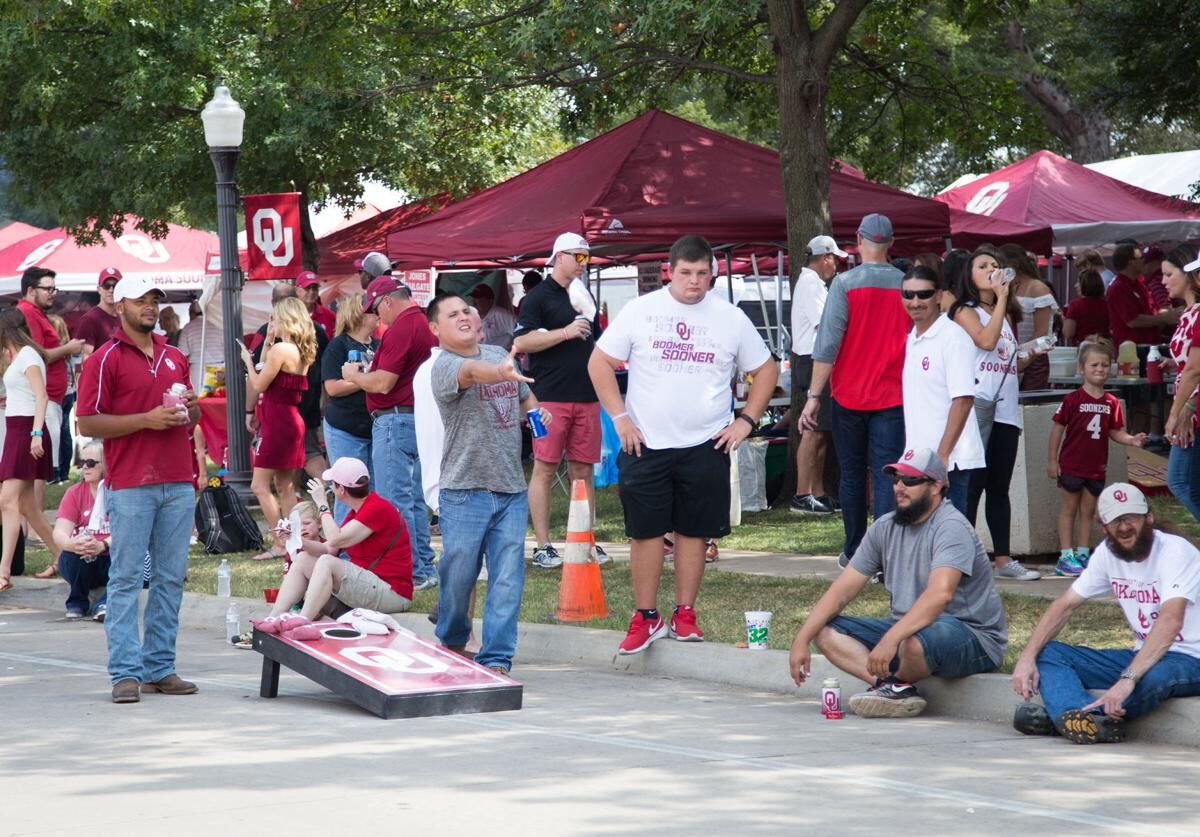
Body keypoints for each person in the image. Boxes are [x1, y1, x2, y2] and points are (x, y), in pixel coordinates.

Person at [590, 235, 776, 655]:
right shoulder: (641, 311)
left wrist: (745, 421)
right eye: (686, 273)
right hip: (646, 442)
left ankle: (685, 613)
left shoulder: (730, 318)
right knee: (647, 532)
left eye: (702, 273)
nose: (694, 282)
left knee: (694, 531)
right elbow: (598, 363)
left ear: (713, 274)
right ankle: (645, 616)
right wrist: (620, 418)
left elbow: (765, 369)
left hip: (706, 442)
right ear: (670, 272)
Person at [789, 448, 1007, 718]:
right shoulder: (885, 527)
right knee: (822, 630)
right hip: (908, 633)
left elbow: (940, 594)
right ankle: (891, 687)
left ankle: (893, 686)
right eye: (896, 480)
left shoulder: (951, 528)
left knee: (913, 643)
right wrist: (801, 638)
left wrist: (892, 638)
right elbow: (842, 590)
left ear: (936, 486)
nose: (900, 488)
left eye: (910, 481)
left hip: (971, 636)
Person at [76, 274, 199, 704]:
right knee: (126, 577)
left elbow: (191, 416)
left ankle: (159, 667)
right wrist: (145, 420)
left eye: (155, 299)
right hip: (131, 483)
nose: (149, 305)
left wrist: (192, 410)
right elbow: (87, 422)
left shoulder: (173, 355)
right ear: (121, 304)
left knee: (170, 578)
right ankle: (125, 672)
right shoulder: (105, 358)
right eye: (141, 299)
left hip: (178, 479)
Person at [1012, 483, 1200, 744]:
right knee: (1049, 653)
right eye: (1114, 521)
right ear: (1104, 527)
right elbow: (1064, 605)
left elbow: (1171, 620)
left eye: (1130, 518)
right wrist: (1026, 657)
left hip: (1192, 658)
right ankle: (1077, 718)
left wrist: (1127, 679)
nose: (1123, 527)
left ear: (1149, 517)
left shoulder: (1176, 551)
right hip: (1144, 654)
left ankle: (1062, 719)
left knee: (1154, 676)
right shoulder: (1107, 554)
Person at [428, 292, 546, 675]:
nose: (463, 316)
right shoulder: (445, 365)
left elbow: (526, 397)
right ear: (436, 328)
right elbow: (471, 375)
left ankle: (496, 658)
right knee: (458, 574)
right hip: (464, 490)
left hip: (511, 489)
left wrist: (536, 415)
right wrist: (498, 373)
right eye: (452, 314)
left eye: (466, 310)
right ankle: (452, 635)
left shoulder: (499, 354)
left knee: (508, 576)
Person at [801, 214, 908, 568]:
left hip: (848, 394)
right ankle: (886, 554)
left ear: (859, 240)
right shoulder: (908, 285)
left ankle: (855, 550)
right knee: (885, 474)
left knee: (851, 473)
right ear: (891, 243)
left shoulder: (844, 284)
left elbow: (827, 345)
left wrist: (813, 396)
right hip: (894, 395)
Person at [513, 232, 606, 569]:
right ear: (559, 257)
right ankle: (542, 545)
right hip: (548, 397)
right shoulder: (537, 298)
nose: (583, 264)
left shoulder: (585, 296)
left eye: (587, 258)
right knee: (544, 467)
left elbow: (596, 341)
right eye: (578, 257)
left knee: (583, 470)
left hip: (586, 394)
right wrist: (565, 333)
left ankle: (584, 540)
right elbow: (522, 342)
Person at [951, 244, 1042, 581]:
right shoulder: (966, 310)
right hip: (977, 408)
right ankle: (963, 557)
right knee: (971, 484)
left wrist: (1029, 354)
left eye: (994, 264)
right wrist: (1002, 300)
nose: (991, 269)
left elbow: (1005, 360)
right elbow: (985, 343)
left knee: (999, 486)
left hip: (1005, 408)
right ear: (970, 277)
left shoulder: (1004, 316)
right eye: (982, 266)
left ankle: (1003, 560)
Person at [342, 276, 439, 591]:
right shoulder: (422, 321)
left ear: (387, 301)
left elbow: (383, 383)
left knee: (395, 502)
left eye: (375, 308)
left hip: (395, 420)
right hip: (414, 419)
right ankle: (422, 567)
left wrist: (355, 377)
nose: (375, 317)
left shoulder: (401, 327)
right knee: (412, 501)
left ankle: (411, 569)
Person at [257, 458, 413, 623]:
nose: (330, 486)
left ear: (342, 490)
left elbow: (335, 539)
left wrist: (322, 505)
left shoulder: (376, 508)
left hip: (393, 594)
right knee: (303, 558)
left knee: (326, 563)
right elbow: (328, 548)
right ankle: (272, 619)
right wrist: (296, 539)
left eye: (333, 483)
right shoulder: (357, 512)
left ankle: (302, 621)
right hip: (372, 587)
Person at [1048, 341, 1147, 577]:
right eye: (1094, 365)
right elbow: (1057, 429)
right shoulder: (1073, 399)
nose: (1100, 369)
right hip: (1072, 463)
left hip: (1096, 466)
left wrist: (1131, 439)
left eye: (1105, 365)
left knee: (1089, 511)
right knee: (1069, 509)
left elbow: (1114, 431)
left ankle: (1083, 552)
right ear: (1082, 368)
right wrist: (1052, 460)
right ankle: (1065, 555)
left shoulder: (1111, 402)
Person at [899, 266, 984, 515]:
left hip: (951, 463)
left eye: (923, 294)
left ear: (938, 296)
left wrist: (943, 456)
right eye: (908, 294)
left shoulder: (953, 337)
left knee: (951, 543)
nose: (915, 302)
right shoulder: (913, 338)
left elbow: (964, 399)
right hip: (920, 460)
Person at [239, 296, 316, 561]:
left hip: (278, 423)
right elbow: (266, 370)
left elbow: (258, 383)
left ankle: (280, 543)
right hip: (290, 421)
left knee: (259, 485)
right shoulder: (295, 350)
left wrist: (246, 361)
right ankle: (294, 541)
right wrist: (268, 341)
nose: (271, 322)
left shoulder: (282, 351)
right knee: (284, 487)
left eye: (274, 318)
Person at [18, 267, 85, 521]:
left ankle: (32, 525)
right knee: (36, 469)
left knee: (39, 469)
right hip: (40, 400)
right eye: (48, 289)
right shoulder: (27, 313)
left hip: (50, 399)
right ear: (31, 290)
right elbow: (36, 356)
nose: (53, 294)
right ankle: (33, 525)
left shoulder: (36, 314)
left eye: (54, 289)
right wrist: (68, 347)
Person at [0, 309, 57, 592]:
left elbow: (41, 395)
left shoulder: (28, 357)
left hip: (26, 431)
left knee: (7, 499)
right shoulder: (21, 356)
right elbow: (25, 393)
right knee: (27, 508)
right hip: (16, 428)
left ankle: (3, 570)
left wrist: (36, 434)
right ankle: (62, 555)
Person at [788, 235, 845, 515]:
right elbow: (827, 324)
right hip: (813, 361)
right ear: (825, 258)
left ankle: (817, 492)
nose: (835, 265)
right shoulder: (812, 285)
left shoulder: (813, 284)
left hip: (813, 359)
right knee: (813, 429)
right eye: (834, 258)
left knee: (822, 430)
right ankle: (802, 494)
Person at [321, 292, 380, 523]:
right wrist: (363, 380)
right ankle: (345, 548)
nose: (377, 315)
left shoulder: (379, 344)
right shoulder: (339, 345)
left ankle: (370, 543)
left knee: (373, 490)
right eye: (372, 310)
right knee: (348, 489)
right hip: (345, 428)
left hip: (375, 426)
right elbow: (332, 388)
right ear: (358, 314)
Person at [53, 442, 110, 620]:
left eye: (91, 463)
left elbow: (128, 532)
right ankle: (77, 603)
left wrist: (103, 545)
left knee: (129, 557)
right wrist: (74, 544)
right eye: (81, 462)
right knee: (71, 554)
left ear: (105, 463)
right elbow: (59, 532)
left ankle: (105, 605)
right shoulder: (74, 493)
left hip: (110, 554)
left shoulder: (118, 492)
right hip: (84, 558)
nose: (85, 467)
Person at [1163, 247, 1200, 522]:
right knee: (1192, 487)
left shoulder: (1196, 314)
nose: (1164, 281)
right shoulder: (1188, 313)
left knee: (1178, 481)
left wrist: (1178, 412)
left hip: (1192, 403)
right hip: (1190, 398)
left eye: (1168, 274)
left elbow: (1194, 370)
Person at [999, 244, 1058, 391]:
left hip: (1034, 357)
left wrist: (1021, 356)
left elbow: (1042, 331)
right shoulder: (1009, 286)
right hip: (1012, 357)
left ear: (1014, 263)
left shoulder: (1037, 287)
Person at [1106, 242, 1176, 346]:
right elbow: (1132, 320)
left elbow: (1150, 311)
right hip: (1132, 349)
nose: (1144, 261)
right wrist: (1164, 318)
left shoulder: (1139, 283)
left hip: (1149, 345)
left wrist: (1164, 313)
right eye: (1141, 258)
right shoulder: (1119, 287)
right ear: (1131, 262)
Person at [76, 267, 122, 358]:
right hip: (101, 371)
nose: (111, 290)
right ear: (99, 289)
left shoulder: (124, 316)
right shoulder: (89, 319)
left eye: (116, 286)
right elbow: (86, 358)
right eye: (106, 286)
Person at [1062, 268, 1110, 345]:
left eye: (1078, 282)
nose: (1075, 285)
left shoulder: (1075, 305)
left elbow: (1068, 333)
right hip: (1103, 347)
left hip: (1082, 349)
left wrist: (1063, 317)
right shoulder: (1108, 304)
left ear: (1085, 284)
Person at [469, 281, 518, 351]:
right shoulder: (474, 317)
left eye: (478, 299)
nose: (474, 302)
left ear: (490, 300)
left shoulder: (500, 314)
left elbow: (521, 333)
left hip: (501, 358)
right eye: (473, 298)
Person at [296, 270, 336, 338]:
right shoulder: (290, 314)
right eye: (307, 288)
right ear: (297, 290)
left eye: (314, 288)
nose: (311, 292)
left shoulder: (329, 315)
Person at [1141, 246, 1173, 311]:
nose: (1142, 267)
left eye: (1145, 263)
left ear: (1156, 262)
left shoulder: (1156, 282)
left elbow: (1165, 308)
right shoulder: (1168, 274)